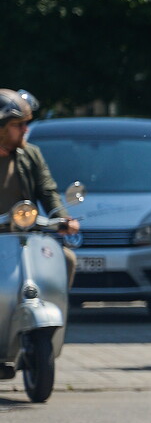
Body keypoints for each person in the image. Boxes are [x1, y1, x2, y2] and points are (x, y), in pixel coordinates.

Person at [0, 89, 79, 281]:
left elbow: (47, 190)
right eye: (18, 125)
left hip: (24, 240)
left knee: (66, 259)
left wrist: (62, 218)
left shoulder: (30, 154)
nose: (25, 130)